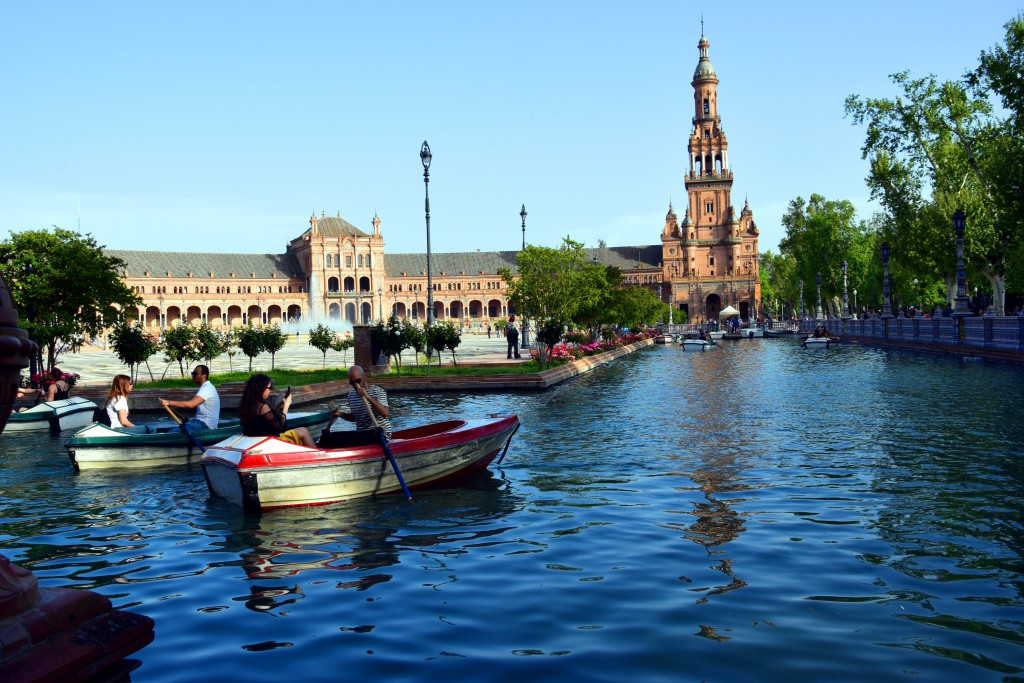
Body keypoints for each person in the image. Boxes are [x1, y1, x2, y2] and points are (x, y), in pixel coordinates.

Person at [238, 374, 316, 447]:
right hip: (269, 442)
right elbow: (279, 426)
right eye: (269, 388)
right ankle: (318, 455)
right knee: (303, 431)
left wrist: (280, 404)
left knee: (299, 432)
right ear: (261, 389)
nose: (270, 390)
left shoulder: (249, 404)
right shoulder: (262, 407)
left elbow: (269, 419)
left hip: (258, 441)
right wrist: (286, 406)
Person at [332, 365, 392, 441]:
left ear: (365, 377)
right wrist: (340, 414)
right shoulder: (351, 395)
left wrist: (368, 397)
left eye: (357, 381)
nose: (355, 385)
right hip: (362, 434)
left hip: (381, 433)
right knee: (332, 438)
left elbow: (385, 413)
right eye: (352, 383)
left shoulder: (378, 391)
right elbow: (356, 418)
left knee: (369, 435)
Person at [159, 364, 220, 431]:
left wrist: (169, 402)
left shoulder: (207, 388)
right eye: (192, 373)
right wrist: (172, 405)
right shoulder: (205, 387)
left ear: (204, 376)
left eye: (195, 373)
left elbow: (191, 404)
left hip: (205, 425)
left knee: (172, 432)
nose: (193, 375)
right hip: (201, 422)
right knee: (173, 430)